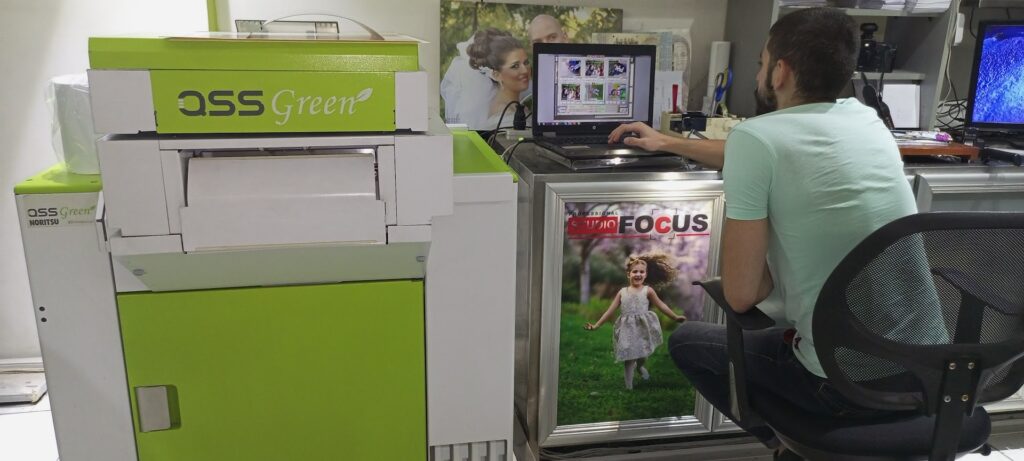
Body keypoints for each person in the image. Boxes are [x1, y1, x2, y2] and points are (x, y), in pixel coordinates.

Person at [609, 7, 919, 456]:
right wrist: (668, 141)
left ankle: (789, 446)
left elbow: (742, 294)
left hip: (837, 383)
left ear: (780, 72)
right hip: (926, 370)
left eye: (760, 62)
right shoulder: (866, 119)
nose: (759, 72)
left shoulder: (760, 139)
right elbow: (753, 149)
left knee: (690, 343)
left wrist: (777, 239)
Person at [584, 254, 686, 390]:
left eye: (641, 272)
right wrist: (596, 325)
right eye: (635, 271)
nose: (638, 274)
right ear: (628, 274)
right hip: (627, 327)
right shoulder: (622, 292)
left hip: (643, 326)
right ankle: (629, 387)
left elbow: (662, 305)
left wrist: (675, 317)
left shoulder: (648, 290)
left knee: (642, 355)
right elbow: (610, 311)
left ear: (646, 275)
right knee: (629, 356)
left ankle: (641, 366)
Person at [466, 28, 532, 130]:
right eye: (515, 66)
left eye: (526, 63)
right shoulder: (504, 117)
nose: (525, 70)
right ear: (496, 75)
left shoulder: (516, 105)